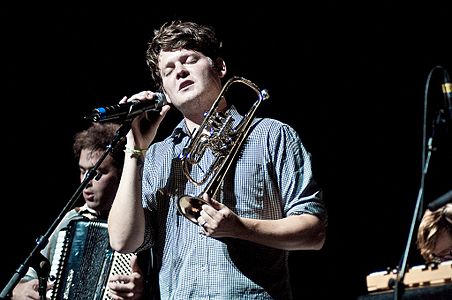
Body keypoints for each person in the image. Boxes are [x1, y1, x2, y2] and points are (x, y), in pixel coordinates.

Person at [107, 20, 328, 299]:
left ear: (220, 67)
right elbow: (123, 240)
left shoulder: (271, 135)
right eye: (169, 70)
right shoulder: (158, 155)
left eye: (190, 60)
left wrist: (241, 228)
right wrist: (135, 150)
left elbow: (313, 232)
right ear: (164, 90)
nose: (180, 72)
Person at [11, 122, 149, 300]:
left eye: (97, 173)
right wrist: (22, 290)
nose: (86, 182)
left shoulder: (142, 222)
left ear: (122, 175)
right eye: (83, 171)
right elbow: (24, 281)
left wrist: (141, 288)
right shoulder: (72, 219)